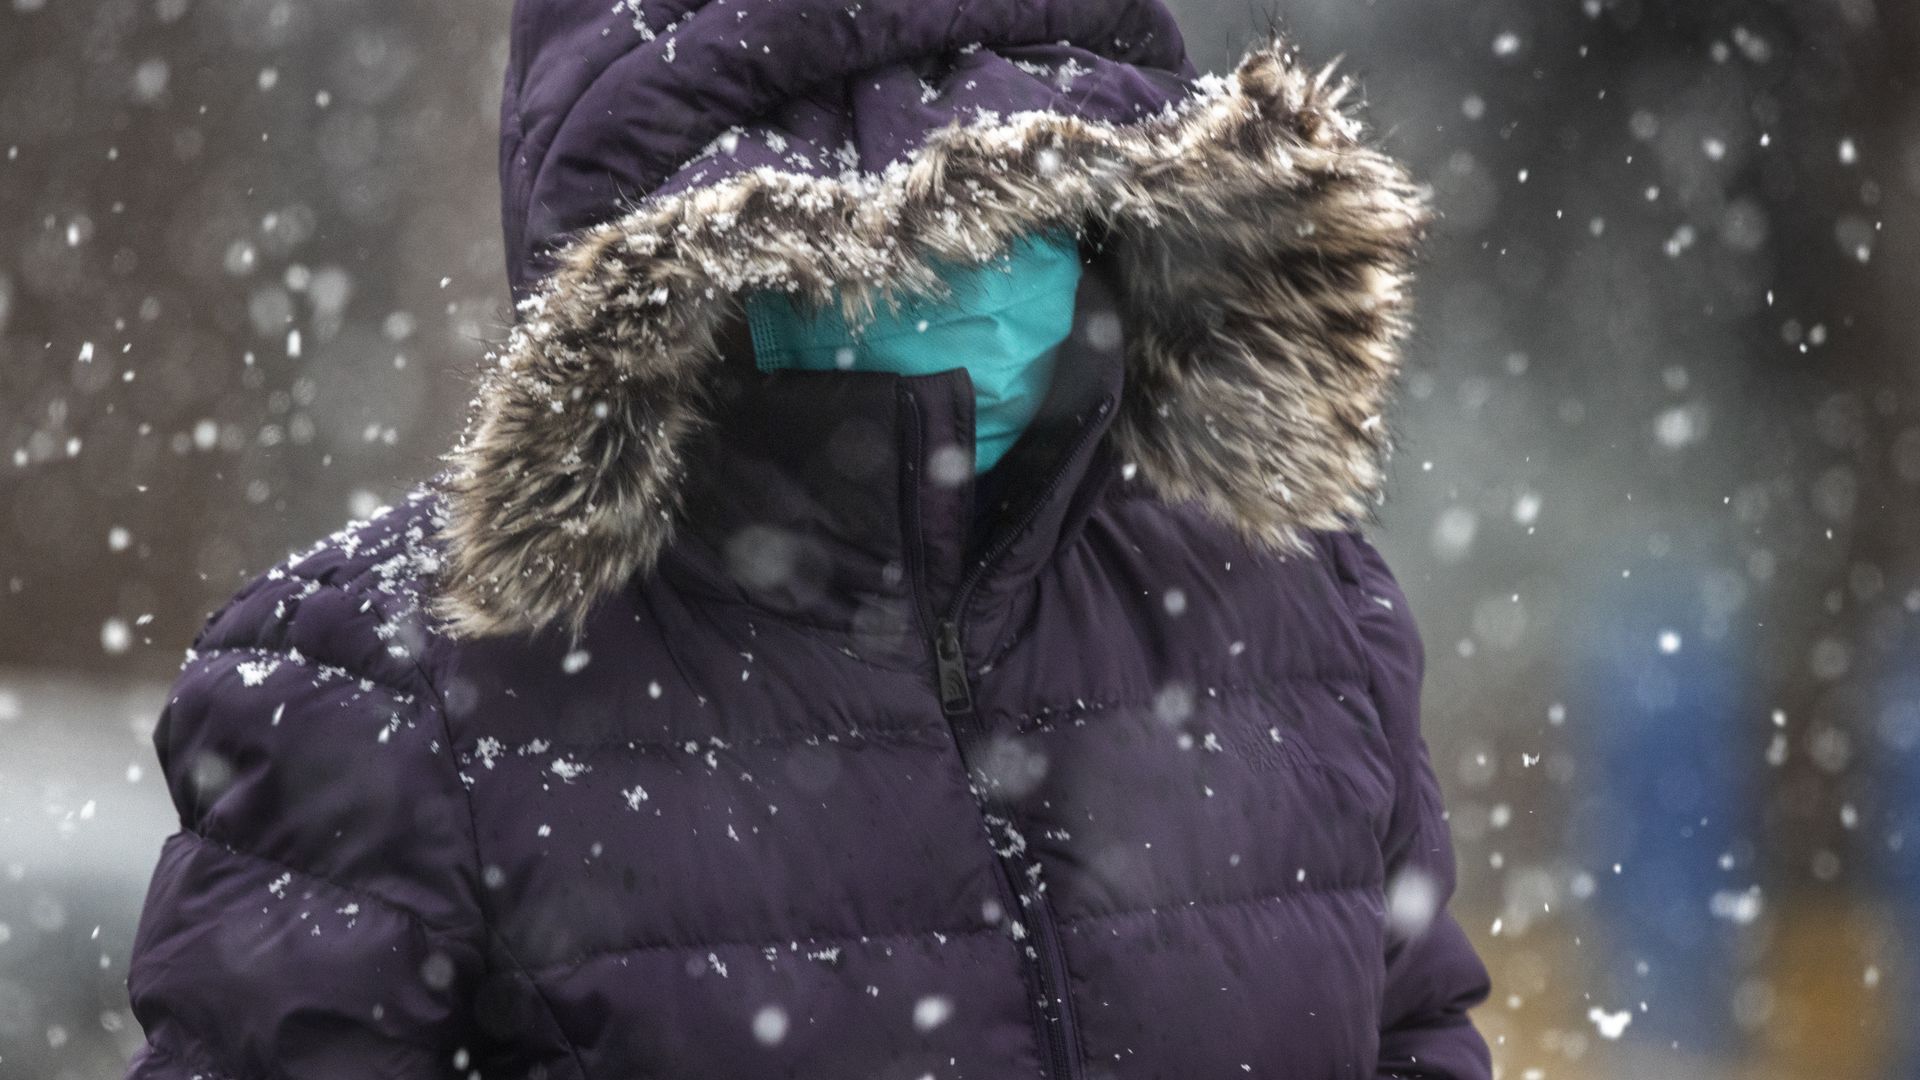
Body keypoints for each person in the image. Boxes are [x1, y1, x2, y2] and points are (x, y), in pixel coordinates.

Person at [122, 0, 1491, 1076]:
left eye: (1025, 203)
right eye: (868, 223)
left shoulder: (1292, 603)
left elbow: (1413, 1039)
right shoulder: (387, 694)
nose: (960, 264)